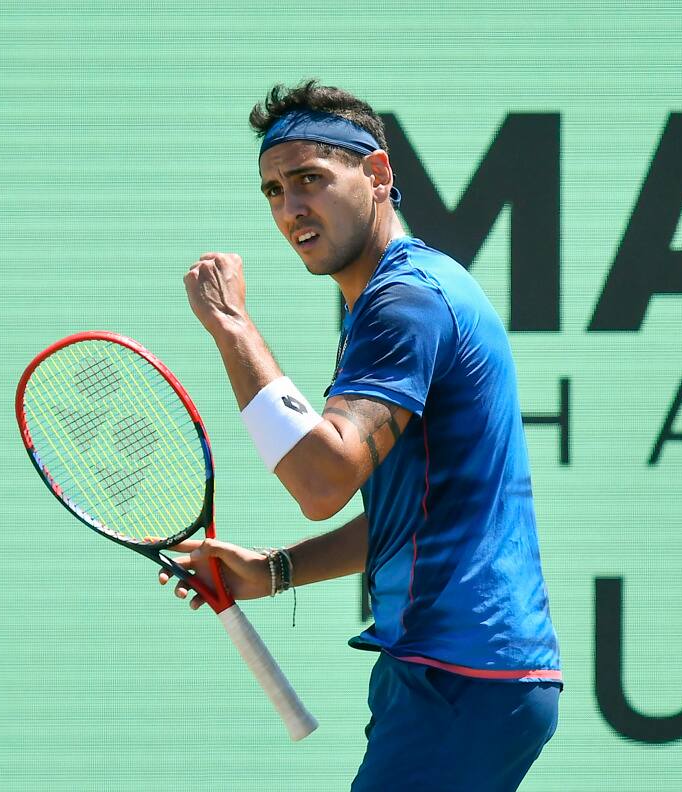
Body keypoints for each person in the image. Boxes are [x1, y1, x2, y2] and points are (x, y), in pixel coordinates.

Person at [164, 79, 561, 791]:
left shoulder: (405, 302)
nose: (291, 209)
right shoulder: (395, 299)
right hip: (453, 674)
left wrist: (232, 328)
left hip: (461, 676)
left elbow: (322, 482)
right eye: (274, 192)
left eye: (310, 180)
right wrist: (275, 570)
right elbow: (408, 517)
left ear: (377, 175)